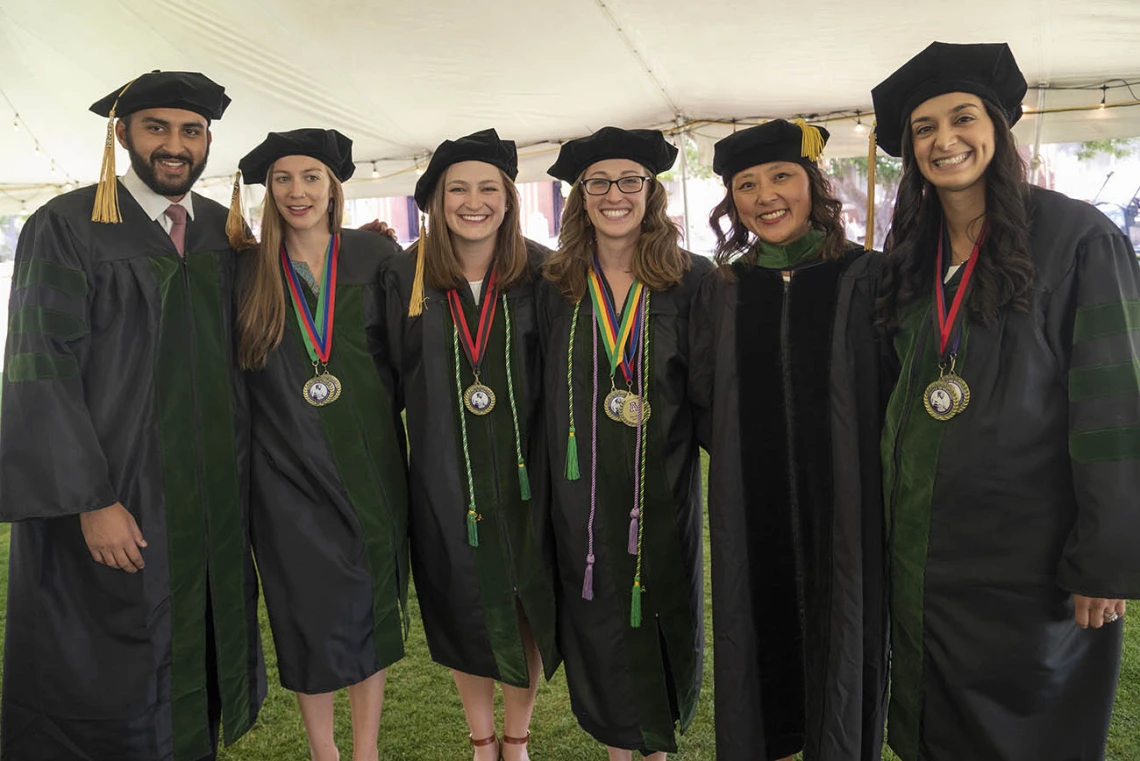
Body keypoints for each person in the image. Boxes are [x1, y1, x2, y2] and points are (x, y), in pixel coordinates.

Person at [871, 41, 1140, 761]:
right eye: (923, 128)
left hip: (1029, 554)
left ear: (997, 124)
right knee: (935, 720)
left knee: (1027, 730)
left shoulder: (1077, 237)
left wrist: (1106, 556)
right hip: (927, 548)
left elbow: (1113, 405)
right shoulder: (911, 253)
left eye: (961, 117)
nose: (944, 139)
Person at [0, 71, 265, 761]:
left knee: (197, 654)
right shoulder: (67, 225)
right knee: (104, 675)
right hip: (120, 495)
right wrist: (91, 498)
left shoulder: (223, 230)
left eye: (191, 130)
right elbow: (40, 368)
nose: (174, 145)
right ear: (122, 135)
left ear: (207, 140)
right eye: (157, 127)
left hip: (207, 500)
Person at [689, 119, 887, 761]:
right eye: (746, 184)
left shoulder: (865, 277)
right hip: (753, 505)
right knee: (759, 630)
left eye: (781, 176)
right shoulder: (721, 290)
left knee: (843, 623)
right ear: (733, 201)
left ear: (813, 186)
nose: (765, 195)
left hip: (847, 501)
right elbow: (701, 398)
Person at [230, 128, 408, 761]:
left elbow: (407, 363)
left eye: (311, 177)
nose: (297, 191)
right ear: (268, 190)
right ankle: (323, 752)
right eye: (283, 179)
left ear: (333, 186)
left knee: (368, 604)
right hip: (285, 477)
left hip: (370, 468)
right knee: (305, 611)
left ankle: (366, 751)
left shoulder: (375, 260)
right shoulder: (244, 269)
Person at [382, 129, 558, 761]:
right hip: (442, 471)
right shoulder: (403, 273)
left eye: (489, 188)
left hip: (524, 473)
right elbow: (386, 376)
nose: (473, 201)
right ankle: (482, 741)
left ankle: (517, 739)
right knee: (461, 600)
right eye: (458, 188)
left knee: (524, 606)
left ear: (510, 199)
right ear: (435, 199)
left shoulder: (545, 271)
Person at [539, 127, 711, 761]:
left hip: (661, 492)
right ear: (581, 196)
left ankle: (659, 749)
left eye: (629, 181)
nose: (615, 194)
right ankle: (618, 749)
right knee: (600, 617)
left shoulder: (692, 281)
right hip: (580, 500)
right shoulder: (553, 285)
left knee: (663, 609)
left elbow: (715, 392)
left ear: (651, 191)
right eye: (599, 182)